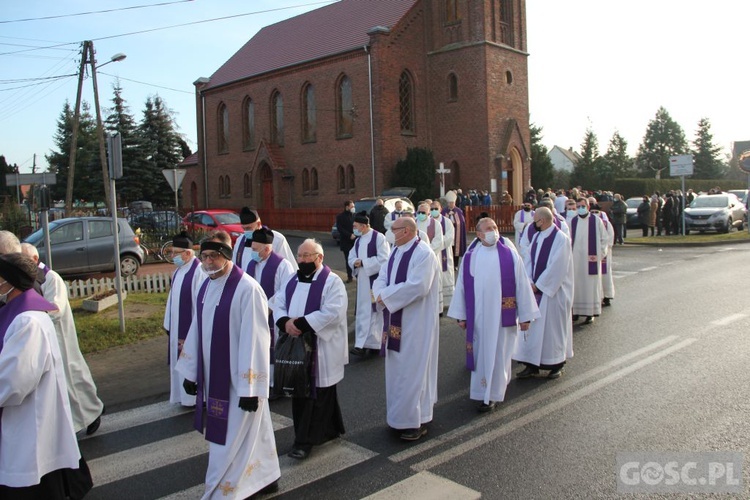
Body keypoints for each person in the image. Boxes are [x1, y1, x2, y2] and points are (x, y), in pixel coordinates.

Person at [176, 235, 280, 499]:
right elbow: (197, 329)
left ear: (227, 256)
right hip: (214, 377)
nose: (208, 262)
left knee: (228, 439)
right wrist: (191, 372)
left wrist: (251, 387)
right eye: (205, 257)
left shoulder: (248, 289)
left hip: (239, 379)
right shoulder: (206, 286)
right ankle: (265, 477)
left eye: (214, 257)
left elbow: (256, 338)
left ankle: (223, 490)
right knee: (255, 432)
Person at [0, 252, 90, 499]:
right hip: (28, 423)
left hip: (28, 426)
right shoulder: (22, 313)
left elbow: (13, 382)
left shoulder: (27, 321)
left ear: (10, 282)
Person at [448, 218, 540, 412]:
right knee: (481, 354)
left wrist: (525, 316)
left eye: (495, 227)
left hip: (501, 318)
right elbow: (462, 288)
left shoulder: (510, 255)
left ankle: (492, 395)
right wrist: (461, 315)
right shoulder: (470, 257)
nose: (494, 231)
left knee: (499, 354)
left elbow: (522, 286)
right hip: (479, 319)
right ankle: (483, 391)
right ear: (479, 234)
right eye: (489, 229)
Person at [274, 239, 348, 459]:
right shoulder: (291, 280)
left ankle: (304, 441)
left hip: (322, 347)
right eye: (300, 255)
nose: (303, 260)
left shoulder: (332, 282)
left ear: (320, 257)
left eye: (308, 256)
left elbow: (333, 312)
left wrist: (301, 324)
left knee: (317, 393)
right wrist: (285, 322)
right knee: (303, 392)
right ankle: (330, 429)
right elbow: (277, 303)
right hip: (297, 345)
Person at [21, 242, 106, 433]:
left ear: (35, 260)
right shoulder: (29, 279)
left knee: (73, 377)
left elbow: (55, 309)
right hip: (45, 338)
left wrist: (32, 321)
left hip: (60, 337)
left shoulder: (50, 279)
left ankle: (93, 411)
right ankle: (72, 422)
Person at [372, 217, 440, 441]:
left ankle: (415, 422)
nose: (391, 233)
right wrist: (380, 293)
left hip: (416, 323)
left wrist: (386, 295)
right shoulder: (395, 250)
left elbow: (418, 286)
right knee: (397, 372)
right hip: (394, 321)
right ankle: (398, 418)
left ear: (408, 231)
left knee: (413, 370)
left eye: (395, 230)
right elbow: (382, 277)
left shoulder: (424, 254)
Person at [514, 208, 574, 380]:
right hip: (536, 289)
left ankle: (556, 364)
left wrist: (539, 285)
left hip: (553, 293)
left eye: (536, 220)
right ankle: (531, 364)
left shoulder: (561, 240)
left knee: (553, 330)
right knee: (534, 330)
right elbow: (529, 260)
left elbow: (558, 267)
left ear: (544, 220)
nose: (534, 224)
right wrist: (528, 282)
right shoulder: (538, 237)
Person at [245, 228, 295, 393]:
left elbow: (287, 290)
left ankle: (275, 384)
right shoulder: (252, 264)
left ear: (267, 249)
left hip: (273, 316)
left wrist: (269, 306)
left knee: (272, 347)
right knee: (257, 348)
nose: (252, 253)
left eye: (254, 249)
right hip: (255, 314)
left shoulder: (282, 265)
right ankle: (260, 381)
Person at [161, 232, 206, 408]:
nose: (173, 256)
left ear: (187, 253)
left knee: (191, 361)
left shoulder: (198, 272)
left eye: (176, 253)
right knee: (178, 363)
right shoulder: (179, 271)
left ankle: (196, 398)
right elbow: (172, 300)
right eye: (172, 252)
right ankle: (182, 396)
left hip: (190, 330)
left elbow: (200, 306)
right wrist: (169, 324)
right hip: (177, 328)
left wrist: (188, 333)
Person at [347, 212, 390, 357]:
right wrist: (354, 262)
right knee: (363, 312)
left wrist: (364, 263)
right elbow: (351, 256)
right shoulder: (358, 241)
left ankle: (375, 343)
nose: (354, 228)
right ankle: (362, 344)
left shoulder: (379, 238)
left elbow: (384, 259)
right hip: (362, 282)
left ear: (364, 226)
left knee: (374, 312)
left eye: (355, 226)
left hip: (375, 281)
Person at [570, 198, 609, 324]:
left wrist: (600, 255)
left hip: (590, 260)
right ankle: (575, 312)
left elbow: (604, 239)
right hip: (576, 259)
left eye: (583, 206)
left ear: (587, 206)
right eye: (578, 206)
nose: (580, 208)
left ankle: (590, 312)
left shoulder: (596, 221)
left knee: (590, 285)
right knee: (576, 285)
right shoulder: (573, 221)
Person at [233, 206, 297, 271]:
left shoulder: (277, 239)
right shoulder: (240, 241)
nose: (246, 232)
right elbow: (235, 267)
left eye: (248, 228)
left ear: (258, 224)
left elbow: (290, 269)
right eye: (244, 228)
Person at [431, 199, 455, 308]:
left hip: (444, 251)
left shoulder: (447, 222)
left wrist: (438, 242)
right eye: (432, 209)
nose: (434, 210)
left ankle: (447, 301)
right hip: (433, 252)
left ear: (441, 209)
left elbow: (450, 236)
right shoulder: (428, 222)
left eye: (436, 208)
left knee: (446, 275)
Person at [442, 191, 467, 270]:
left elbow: (462, 222)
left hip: (457, 233)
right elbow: (442, 221)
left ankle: (455, 265)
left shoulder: (459, 211)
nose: (451, 204)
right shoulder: (444, 211)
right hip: (447, 233)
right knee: (449, 248)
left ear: (454, 202)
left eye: (452, 203)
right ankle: (449, 264)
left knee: (456, 248)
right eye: (449, 203)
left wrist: (455, 223)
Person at [336, 200, 356, 283]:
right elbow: (340, 229)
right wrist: (349, 235)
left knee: (356, 259)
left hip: (355, 241)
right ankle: (349, 276)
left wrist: (356, 234)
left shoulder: (355, 216)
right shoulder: (340, 217)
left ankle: (357, 275)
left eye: (353, 206)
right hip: (346, 242)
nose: (353, 208)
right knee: (348, 259)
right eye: (352, 207)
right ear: (347, 207)